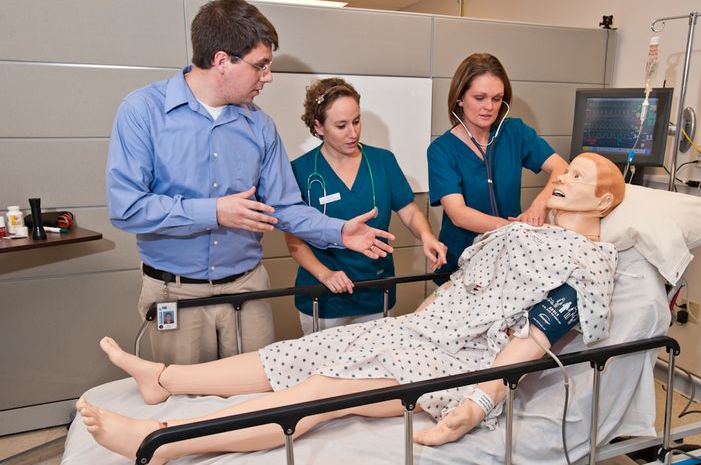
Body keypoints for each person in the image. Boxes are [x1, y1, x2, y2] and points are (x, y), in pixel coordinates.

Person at [78, 153, 625, 463]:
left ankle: (161, 439)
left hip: (465, 363)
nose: (562, 178)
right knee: (309, 347)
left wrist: (478, 405)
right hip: (424, 330)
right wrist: (421, 323)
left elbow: (532, 339)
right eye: (565, 169)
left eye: (578, 176)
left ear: (603, 202)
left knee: (322, 391)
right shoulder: (523, 236)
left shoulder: (589, 263)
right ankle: (165, 377)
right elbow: (462, 291)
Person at [106, 0, 394, 365]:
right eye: (261, 66)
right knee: (187, 406)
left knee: (258, 400)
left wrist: (339, 232)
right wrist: (214, 212)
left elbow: (286, 207)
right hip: (175, 294)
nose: (268, 77)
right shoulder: (142, 112)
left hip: (248, 289)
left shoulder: (260, 126)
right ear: (222, 60)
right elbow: (126, 208)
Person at [285, 78, 447, 334]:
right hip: (323, 297)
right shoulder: (301, 171)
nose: (353, 133)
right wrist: (325, 274)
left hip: (375, 292)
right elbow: (295, 241)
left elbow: (409, 209)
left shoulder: (382, 161)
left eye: (356, 121)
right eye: (341, 125)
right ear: (318, 126)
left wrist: (426, 236)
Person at [427, 52, 570, 277]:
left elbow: (562, 167)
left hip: (510, 259)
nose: (489, 107)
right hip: (463, 263)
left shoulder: (515, 132)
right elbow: (458, 214)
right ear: (460, 99)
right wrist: (512, 228)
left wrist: (538, 205)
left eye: (496, 98)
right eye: (480, 97)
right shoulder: (442, 150)